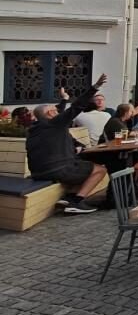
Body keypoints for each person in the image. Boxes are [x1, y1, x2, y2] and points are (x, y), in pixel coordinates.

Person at [26, 74, 110, 214]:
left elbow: (59, 111)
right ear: (50, 114)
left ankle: (69, 198)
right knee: (100, 169)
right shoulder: (55, 123)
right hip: (58, 169)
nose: (57, 111)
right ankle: (77, 202)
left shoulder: (35, 128)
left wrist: (64, 99)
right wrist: (95, 88)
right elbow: (76, 107)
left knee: (81, 166)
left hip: (38, 172)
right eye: (54, 110)